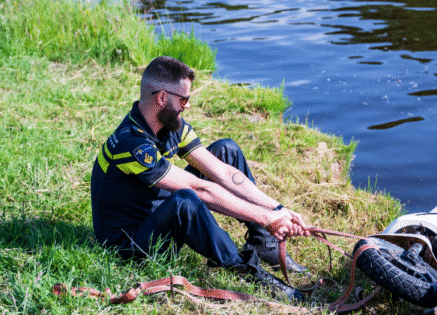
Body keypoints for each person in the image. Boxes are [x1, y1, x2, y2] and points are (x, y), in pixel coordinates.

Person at [90, 56, 310, 301]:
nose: (187, 106)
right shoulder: (131, 143)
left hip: (156, 209)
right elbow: (200, 189)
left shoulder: (171, 126)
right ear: (162, 97)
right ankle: (248, 271)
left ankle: (264, 243)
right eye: (184, 99)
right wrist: (267, 217)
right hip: (130, 243)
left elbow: (222, 171)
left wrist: (277, 209)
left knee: (227, 150)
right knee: (186, 199)